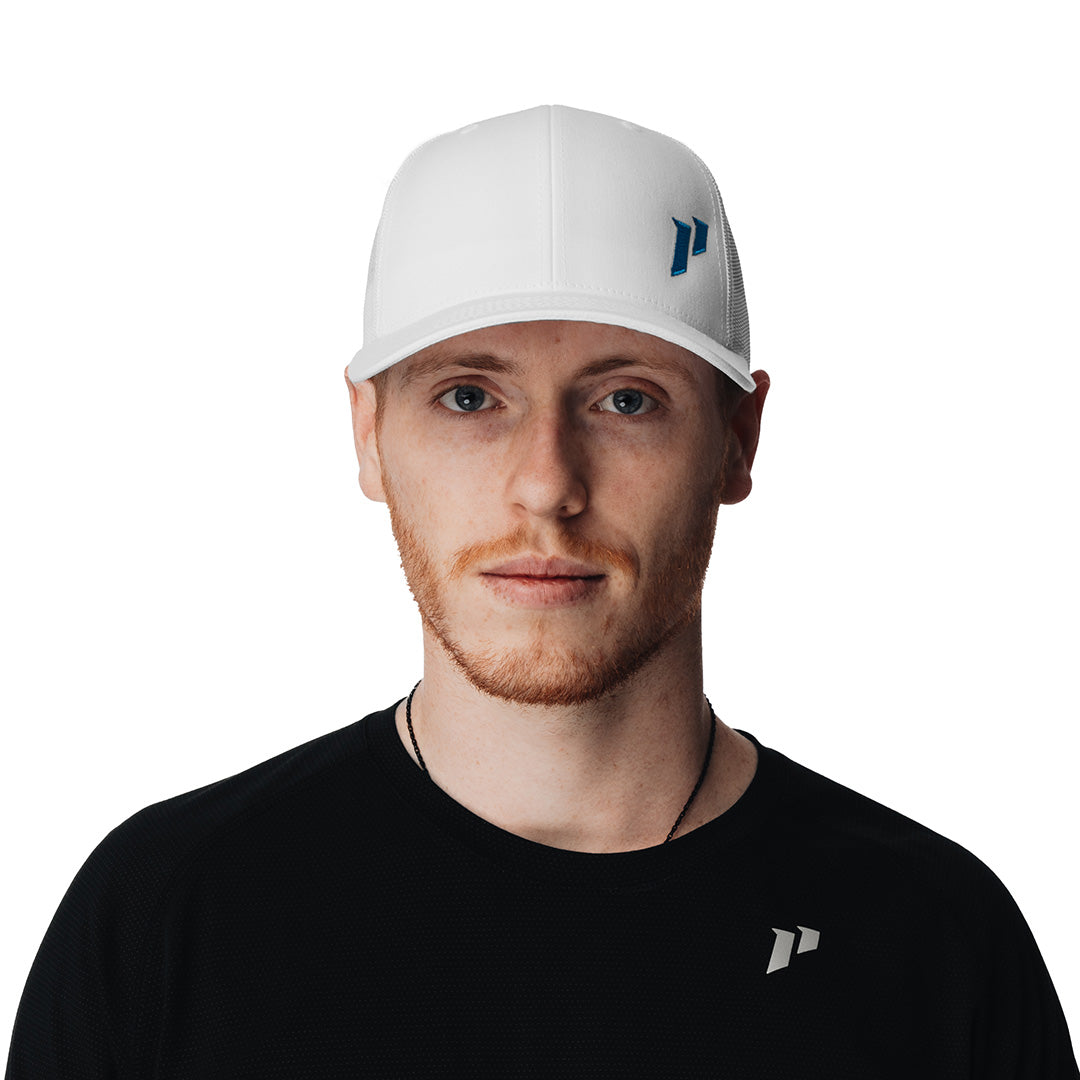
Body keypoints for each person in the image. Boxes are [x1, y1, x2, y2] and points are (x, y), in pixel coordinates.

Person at [5, 104, 1076, 1078]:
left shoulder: (934, 943)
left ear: (739, 439)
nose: (547, 486)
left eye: (626, 400)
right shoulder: (165, 921)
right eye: (470, 398)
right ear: (369, 435)